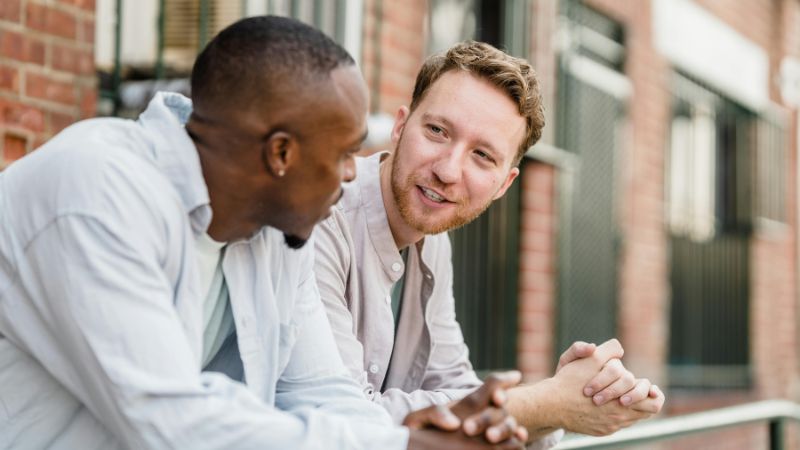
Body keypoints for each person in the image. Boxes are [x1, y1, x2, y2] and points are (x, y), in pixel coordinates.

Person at [0, 18, 526, 450]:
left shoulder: (275, 232)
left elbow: (320, 394)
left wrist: (433, 432)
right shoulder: (97, 193)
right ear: (280, 154)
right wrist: (404, 447)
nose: (352, 175)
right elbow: (171, 421)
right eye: (343, 154)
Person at [313, 41, 666, 448]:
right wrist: (543, 404)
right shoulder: (320, 215)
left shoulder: (433, 239)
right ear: (400, 126)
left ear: (504, 185)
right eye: (437, 131)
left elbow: (454, 382)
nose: (447, 170)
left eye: (482, 155)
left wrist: (572, 398)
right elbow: (342, 420)